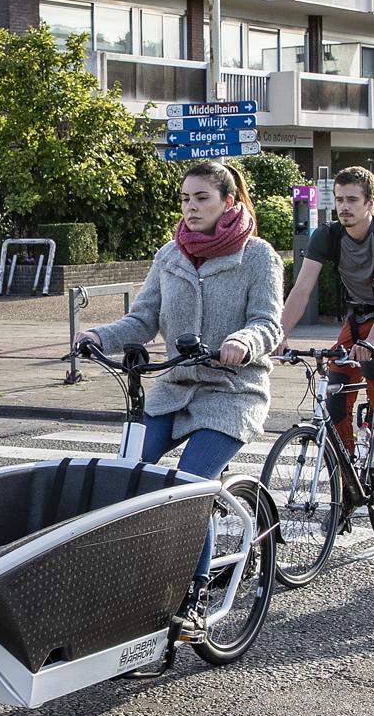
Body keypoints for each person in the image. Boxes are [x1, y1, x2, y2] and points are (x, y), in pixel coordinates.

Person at [77, 160, 280, 637]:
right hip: (173, 388)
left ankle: (194, 593)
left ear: (229, 202)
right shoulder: (170, 255)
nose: (190, 207)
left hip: (232, 391)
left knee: (190, 485)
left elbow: (270, 323)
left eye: (202, 198)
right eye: (186, 198)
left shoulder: (258, 256)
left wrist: (244, 342)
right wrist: (97, 335)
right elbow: (141, 321)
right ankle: (135, 580)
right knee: (125, 477)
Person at [278, 165, 374, 466]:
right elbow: (302, 289)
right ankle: (344, 461)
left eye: (352, 200)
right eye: (340, 199)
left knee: (373, 362)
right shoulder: (327, 236)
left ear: (370, 203)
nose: (344, 207)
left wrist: (372, 341)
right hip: (356, 319)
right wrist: (279, 335)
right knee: (335, 385)